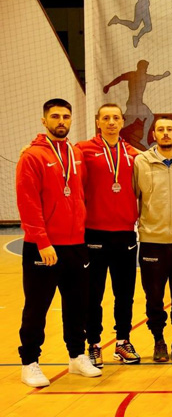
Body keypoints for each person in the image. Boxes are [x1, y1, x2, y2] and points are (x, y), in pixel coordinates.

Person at [17, 98, 101, 387]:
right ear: (44, 121)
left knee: (78, 305)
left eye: (65, 116)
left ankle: (77, 356)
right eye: (55, 116)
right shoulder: (32, 156)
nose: (61, 121)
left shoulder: (75, 153)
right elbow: (27, 202)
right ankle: (29, 362)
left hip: (76, 244)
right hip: (44, 247)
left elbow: (79, 193)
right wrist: (42, 241)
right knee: (37, 307)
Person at [76, 104, 141, 368]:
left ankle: (123, 341)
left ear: (122, 121)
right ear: (98, 122)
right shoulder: (82, 150)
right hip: (94, 233)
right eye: (106, 118)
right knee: (93, 293)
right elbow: (61, 156)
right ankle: (93, 343)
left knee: (125, 293)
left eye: (116, 118)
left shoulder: (134, 153)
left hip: (125, 233)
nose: (111, 122)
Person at [134, 117, 172, 362]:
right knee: (154, 297)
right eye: (160, 130)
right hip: (153, 241)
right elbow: (134, 195)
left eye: (170, 129)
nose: (165, 133)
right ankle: (158, 340)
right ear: (154, 135)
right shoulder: (141, 161)